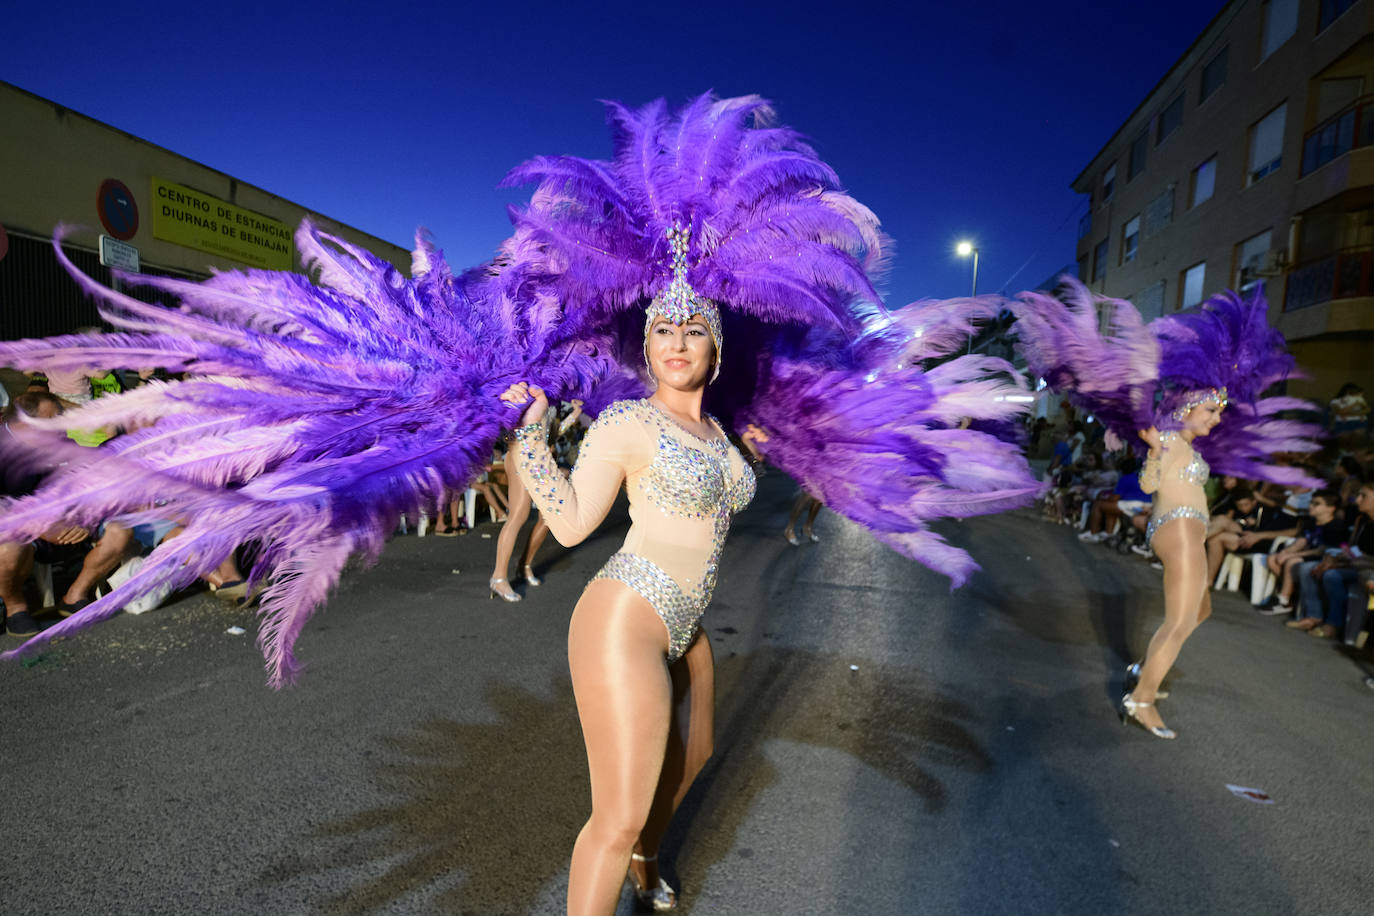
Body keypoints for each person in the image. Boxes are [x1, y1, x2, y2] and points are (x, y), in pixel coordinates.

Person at [501, 287, 759, 914]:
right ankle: (630, 854)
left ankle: (647, 860)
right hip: (627, 615)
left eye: (694, 330)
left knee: (692, 756)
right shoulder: (629, 422)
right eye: (664, 331)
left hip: (686, 622)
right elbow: (569, 525)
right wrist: (533, 438)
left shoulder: (720, 434)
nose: (678, 342)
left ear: (715, 350)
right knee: (617, 816)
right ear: (646, 347)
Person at [1125, 389, 1227, 738]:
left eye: (1219, 412)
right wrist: (1154, 451)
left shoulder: (1188, 446)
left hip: (1193, 532)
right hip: (1179, 530)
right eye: (1211, 410)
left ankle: (1146, 669)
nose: (1216, 418)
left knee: (1200, 610)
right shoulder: (1166, 439)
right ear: (1186, 408)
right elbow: (1148, 483)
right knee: (1179, 621)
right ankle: (1142, 700)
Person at [1259, 489, 1346, 615]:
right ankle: (1292, 593)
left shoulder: (1335, 526)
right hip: (1307, 554)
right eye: (1311, 502)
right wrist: (1286, 551)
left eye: (1317, 504)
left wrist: (1293, 554)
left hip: (1323, 557)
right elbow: (1302, 541)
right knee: (1273, 558)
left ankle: (1283, 600)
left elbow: (1322, 550)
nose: (1311, 506)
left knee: (1291, 562)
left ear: (1330, 508)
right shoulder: (1310, 522)